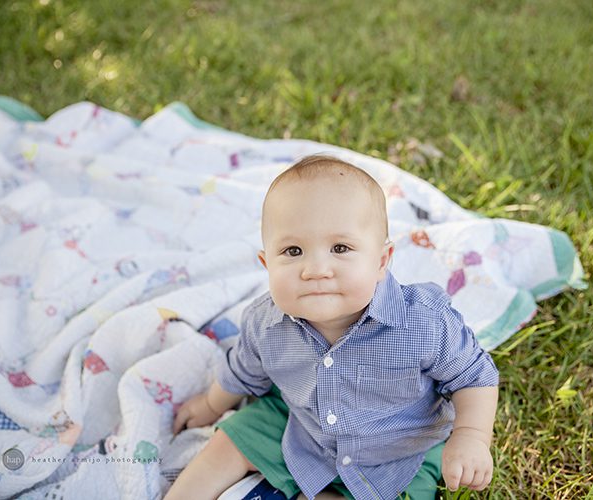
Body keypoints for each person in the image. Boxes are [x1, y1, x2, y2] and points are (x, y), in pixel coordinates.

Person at [164, 155, 499, 500]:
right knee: (230, 440)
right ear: (267, 264)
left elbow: (475, 377)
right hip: (302, 427)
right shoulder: (265, 322)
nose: (315, 269)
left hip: (399, 453)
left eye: (340, 248)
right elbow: (243, 371)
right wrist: (210, 404)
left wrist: (471, 435)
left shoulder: (423, 323)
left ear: (381, 260)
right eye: (293, 250)